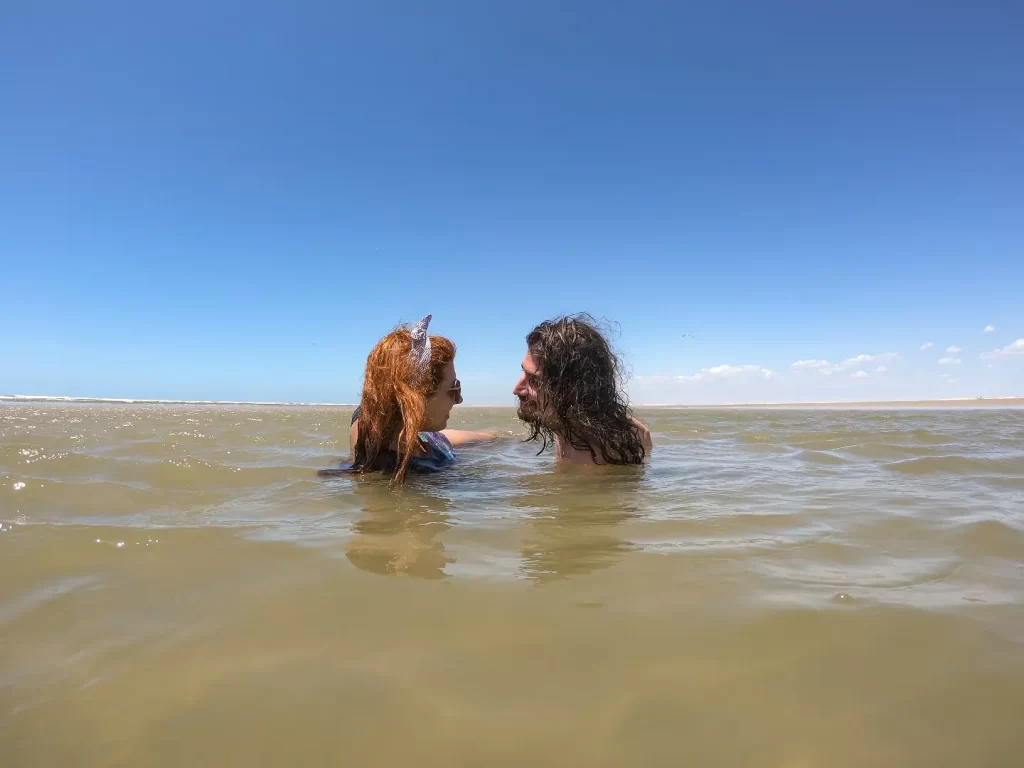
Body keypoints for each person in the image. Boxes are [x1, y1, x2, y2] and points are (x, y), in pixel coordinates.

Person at [319, 315, 494, 485]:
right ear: (418, 396)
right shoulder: (417, 471)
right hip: (432, 447)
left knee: (493, 438)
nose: (459, 400)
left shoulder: (368, 416)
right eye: (454, 389)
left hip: (426, 437)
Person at [512, 314, 653, 465]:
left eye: (534, 380)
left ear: (572, 390)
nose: (516, 390)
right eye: (523, 373)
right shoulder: (564, 423)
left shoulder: (602, 456)